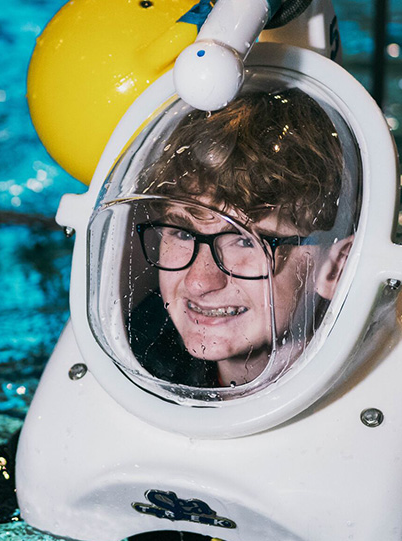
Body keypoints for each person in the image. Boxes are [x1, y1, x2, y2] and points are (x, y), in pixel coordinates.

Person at [124, 87, 355, 389]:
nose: (199, 282)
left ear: (337, 268)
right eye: (182, 233)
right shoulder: (139, 352)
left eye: (245, 241)